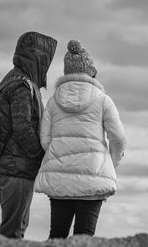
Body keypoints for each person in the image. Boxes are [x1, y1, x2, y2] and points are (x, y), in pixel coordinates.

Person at [34, 39, 126, 238]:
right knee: (84, 236)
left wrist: (60, 155)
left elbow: (45, 139)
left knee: (57, 234)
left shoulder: (53, 101)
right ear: (92, 72)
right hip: (93, 176)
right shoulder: (103, 100)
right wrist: (111, 161)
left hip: (59, 178)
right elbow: (118, 137)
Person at [0, 31, 57, 239]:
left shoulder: (12, 79)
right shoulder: (20, 85)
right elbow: (23, 129)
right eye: (45, 60)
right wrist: (42, 156)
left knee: (13, 231)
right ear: (37, 58)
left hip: (9, 167)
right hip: (15, 170)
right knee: (13, 234)